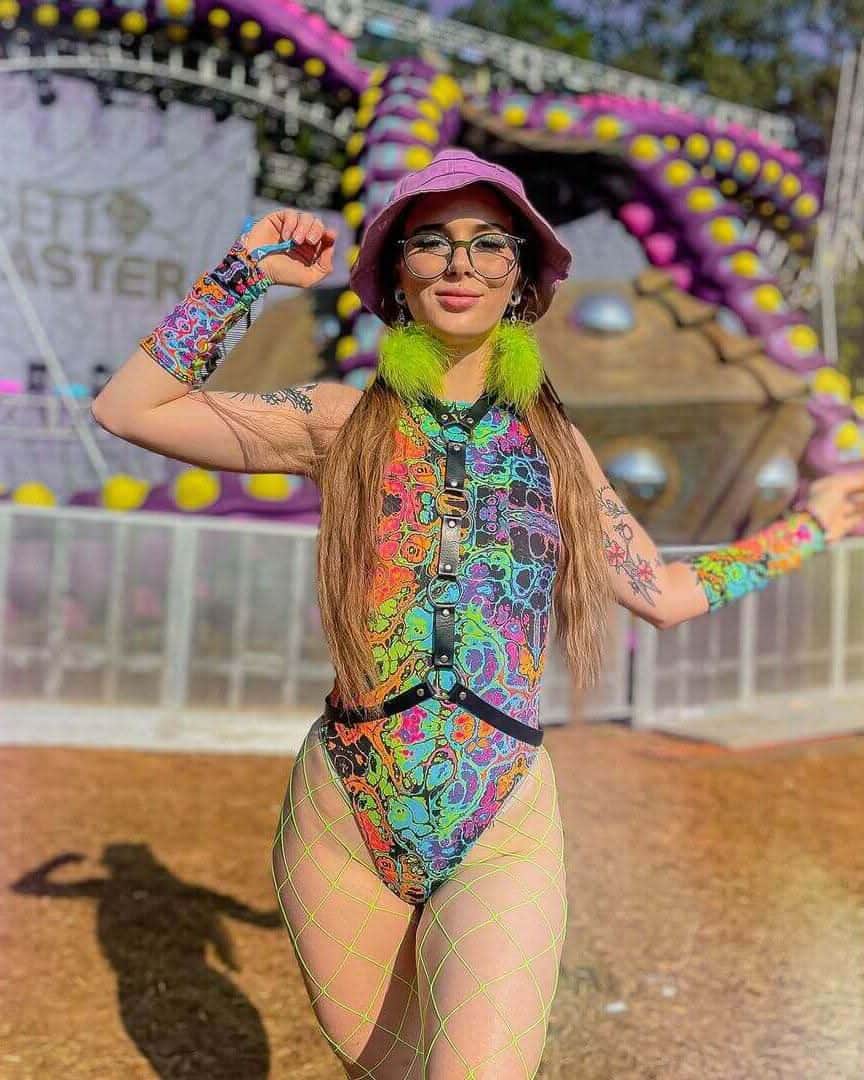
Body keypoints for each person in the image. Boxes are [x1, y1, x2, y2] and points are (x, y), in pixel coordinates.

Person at [92, 148, 864, 1079]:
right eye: (432, 242)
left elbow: (663, 592)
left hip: (500, 814)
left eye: (489, 243)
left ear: (522, 279)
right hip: (344, 816)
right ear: (397, 277)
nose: (460, 264)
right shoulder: (337, 421)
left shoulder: (555, 448)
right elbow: (131, 408)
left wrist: (809, 529)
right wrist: (245, 272)